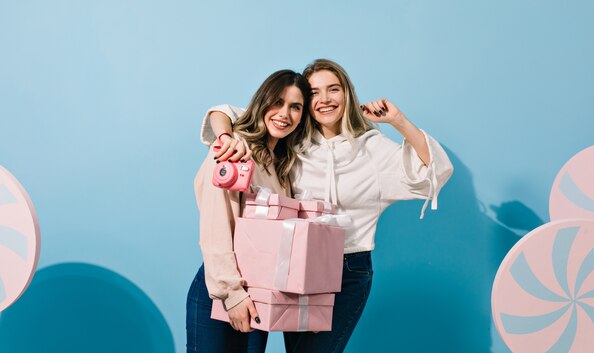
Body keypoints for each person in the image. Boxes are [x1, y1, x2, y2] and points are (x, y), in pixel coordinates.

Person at [199, 59, 454, 353]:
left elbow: (432, 174)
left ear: (347, 93)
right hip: (292, 263)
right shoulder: (293, 142)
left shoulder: (373, 149)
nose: (324, 99)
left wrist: (398, 121)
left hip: (348, 268)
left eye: (333, 89)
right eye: (314, 93)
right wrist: (226, 136)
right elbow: (232, 113)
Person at [186, 69, 312, 353]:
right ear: (262, 102)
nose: (285, 114)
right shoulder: (233, 150)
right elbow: (216, 225)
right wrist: (232, 294)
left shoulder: (281, 166)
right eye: (277, 102)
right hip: (223, 291)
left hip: (259, 295)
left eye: (295, 107)